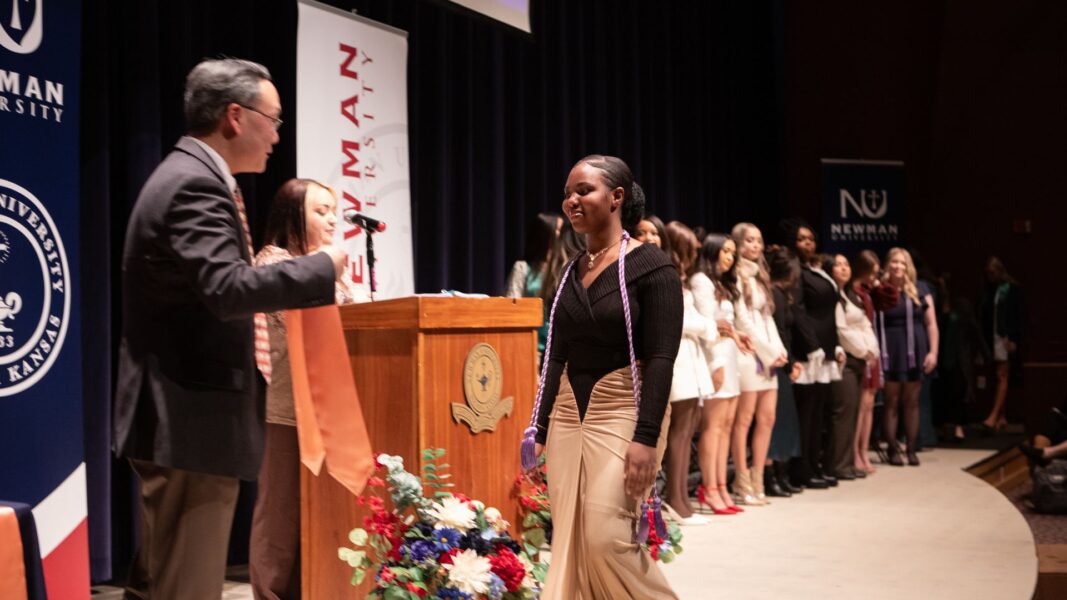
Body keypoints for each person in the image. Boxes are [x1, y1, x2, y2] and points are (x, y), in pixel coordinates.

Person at [113, 59, 345, 599]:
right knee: (185, 587)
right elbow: (228, 289)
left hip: (180, 418)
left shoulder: (193, 176)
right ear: (236, 117)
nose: (277, 134)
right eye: (274, 119)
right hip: (186, 419)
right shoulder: (195, 183)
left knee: (158, 583)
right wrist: (323, 266)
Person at [523, 155, 682, 599]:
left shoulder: (654, 268)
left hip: (625, 408)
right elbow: (555, 356)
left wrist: (647, 437)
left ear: (616, 198)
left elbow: (662, 359)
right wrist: (540, 426)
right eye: (568, 192)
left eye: (583, 191)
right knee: (572, 539)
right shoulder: (571, 270)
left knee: (605, 539)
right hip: (568, 415)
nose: (571, 200)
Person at [249, 179, 366, 599]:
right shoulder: (273, 261)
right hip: (289, 410)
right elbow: (294, 315)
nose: (333, 218)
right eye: (321, 210)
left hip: (332, 411)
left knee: (320, 515)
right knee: (279, 517)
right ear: (292, 215)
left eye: (334, 209)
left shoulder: (325, 265)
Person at [691, 233, 751, 515]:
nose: (729, 257)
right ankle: (709, 488)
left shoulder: (722, 284)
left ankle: (722, 487)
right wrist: (716, 364)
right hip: (714, 356)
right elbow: (708, 324)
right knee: (713, 427)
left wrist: (736, 334)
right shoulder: (701, 281)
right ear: (712, 251)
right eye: (725, 251)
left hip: (730, 355)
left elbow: (725, 322)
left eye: (732, 252)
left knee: (726, 425)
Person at [784, 222, 846, 487]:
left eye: (810, 238)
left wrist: (836, 346)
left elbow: (829, 312)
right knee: (806, 414)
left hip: (825, 349)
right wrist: (812, 346)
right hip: (807, 350)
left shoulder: (815, 269)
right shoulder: (796, 270)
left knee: (819, 412)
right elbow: (798, 311)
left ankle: (816, 465)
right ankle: (803, 470)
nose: (807, 243)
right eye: (801, 239)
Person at [731, 222, 788, 504]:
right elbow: (743, 321)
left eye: (758, 240)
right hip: (748, 355)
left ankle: (758, 480)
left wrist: (779, 350)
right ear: (739, 244)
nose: (755, 245)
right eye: (750, 240)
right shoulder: (736, 276)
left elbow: (767, 320)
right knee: (744, 420)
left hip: (767, 355)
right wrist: (767, 352)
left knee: (768, 418)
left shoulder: (761, 277)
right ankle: (742, 484)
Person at [662, 221, 714, 525]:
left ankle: (682, 498)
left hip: (692, 358)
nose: (696, 252)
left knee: (688, 429)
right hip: (678, 358)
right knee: (679, 434)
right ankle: (675, 500)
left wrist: (704, 326)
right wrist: (706, 327)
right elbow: (679, 319)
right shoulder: (667, 275)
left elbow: (698, 319)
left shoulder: (682, 277)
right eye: (691, 247)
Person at [878, 248, 939, 466]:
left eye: (903, 263)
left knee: (912, 402)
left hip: (916, 349)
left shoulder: (921, 289)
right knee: (892, 402)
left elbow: (931, 324)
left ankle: (912, 448)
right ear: (888, 265)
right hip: (891, 351)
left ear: (908, 266)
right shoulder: (881, 290)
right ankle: (893, 449)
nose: (898, 266)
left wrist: (933, 352)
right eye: (894, 262)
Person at [829, 253, 880, 480]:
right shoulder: (833, 297)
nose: (843, 268)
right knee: (844, 413)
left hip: (859, 359)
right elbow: (843, 331)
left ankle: (849, 462)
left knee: (854, 414)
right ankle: (839, 464)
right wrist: (863, 350)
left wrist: (872, 350)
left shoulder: (852, 295)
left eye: (846, 264)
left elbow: (865, 325)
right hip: (845, 360)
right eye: (838, 265)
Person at [849, 250, 898, 473]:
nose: (874, 277)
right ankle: (854, 453)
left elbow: (892, 298)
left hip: (873, 350)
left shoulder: (870, 291)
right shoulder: (852, 292)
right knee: (860, 406)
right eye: (872, 273)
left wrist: (879, 283)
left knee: (869, 405)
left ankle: (863, 451)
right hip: (860, 351)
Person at [766, 248, 805, 496]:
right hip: (776, 364)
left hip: (783, 361)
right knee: (775, 424)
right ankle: (771, 478)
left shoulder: (782, 294)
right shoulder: (775, 295)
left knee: (784, 422)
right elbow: (779, 333)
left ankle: (782, 474)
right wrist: (790, 363)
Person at [506, 212, 565, 354]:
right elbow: (511, 306)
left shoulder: (564, 268)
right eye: (557, 230)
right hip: (531, 346)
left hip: (558, 347)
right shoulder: (523, 268)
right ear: (545, 234)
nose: (561, 235)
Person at [978, 256, 1023, 433]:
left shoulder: (1011, 289)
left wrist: (1014, 339)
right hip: (992, 337)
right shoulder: (989, 290)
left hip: (1006, 338)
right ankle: (1002, 417)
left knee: (1002, 374)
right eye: (987, 273)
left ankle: (993, 416)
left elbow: (1017, 315)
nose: (990, 276)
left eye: (993, 272)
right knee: (996, 376)